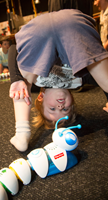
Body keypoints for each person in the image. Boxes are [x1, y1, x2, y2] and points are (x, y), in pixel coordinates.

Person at [8, 9, 108, 152]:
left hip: (37, 31)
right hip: (74, 24)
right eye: (66, 109)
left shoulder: (37, 83)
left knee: (23, 88)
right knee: (103, 78)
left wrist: (16, 79)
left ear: (41, 97)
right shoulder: (79, 78)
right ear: (71, 99)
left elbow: (13, 49)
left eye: (52, 109)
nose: (60, 107)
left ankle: (22, 133)